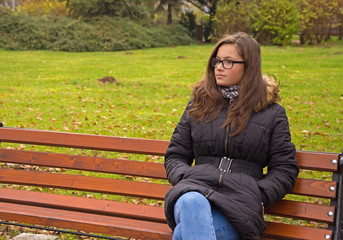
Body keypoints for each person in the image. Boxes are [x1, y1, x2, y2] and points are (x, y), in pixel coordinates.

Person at [163, 32, 299, 240]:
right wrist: (185, 177)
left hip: (239, 202)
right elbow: (175, 155)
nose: (218, 67)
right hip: (194, 190)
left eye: (228, 62)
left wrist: (258, 192)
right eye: (217, 61)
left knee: (184, 233)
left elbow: (285, 168)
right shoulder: (198, 105)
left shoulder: (272, 114)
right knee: (192, 202)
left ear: (249, 66)